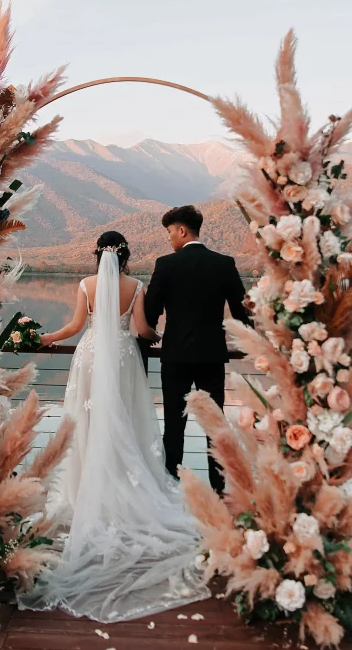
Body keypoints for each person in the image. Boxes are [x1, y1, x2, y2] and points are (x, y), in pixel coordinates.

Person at [18, 231, 209, 622]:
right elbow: (141, 330)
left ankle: (84, 484)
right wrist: (161, 338)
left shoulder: (86, 285)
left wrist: (45, 337)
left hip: (90, 356)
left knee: (85, 420)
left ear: (96, 255)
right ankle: (123, 485)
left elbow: (74, 326)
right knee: (125, 420)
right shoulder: (135, 285)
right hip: (123, 359)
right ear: (125, 255)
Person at [144, 205, 249, 496]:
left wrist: (147, 336)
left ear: (181, 230)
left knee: (174, 426)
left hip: (175, 357)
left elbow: (150, 313)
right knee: (215, 426)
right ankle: (220, 493)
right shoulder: (224, 264)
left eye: (169, 233)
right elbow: (241, 314)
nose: (169, 239)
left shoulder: (165, 265)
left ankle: (170, 488)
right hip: (212, 357)